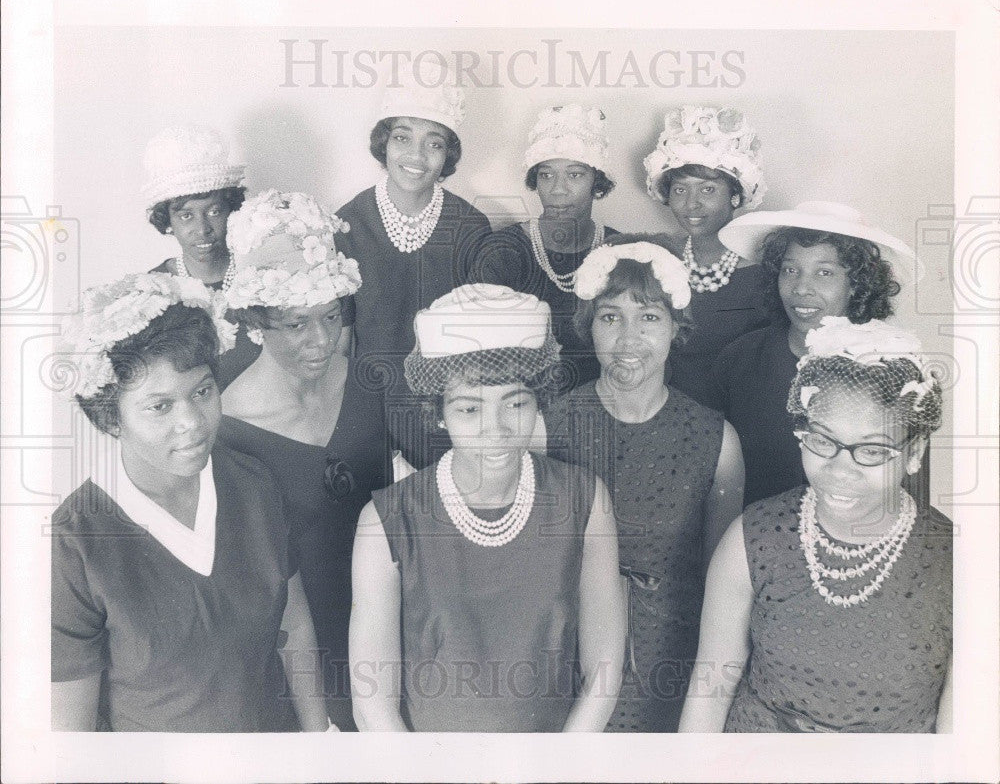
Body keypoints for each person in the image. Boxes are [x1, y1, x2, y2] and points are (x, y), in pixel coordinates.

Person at [52, 273, 329, 732]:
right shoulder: (76, 540)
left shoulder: (253, 483)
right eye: (159, 407)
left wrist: (319, 740)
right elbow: (72, 733)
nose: (193, 423)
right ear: (109, 419)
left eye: (202, 392)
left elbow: (294, 626)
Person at [349, 284, 626, 732]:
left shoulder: (585, 501)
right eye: (468, 410)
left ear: (539, 399)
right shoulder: (385, 520)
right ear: (438, 412)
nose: (494, 431)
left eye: (515, 404)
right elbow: (371, 701)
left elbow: (604, 673)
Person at [680, 317, 952, 733]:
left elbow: (961, 733)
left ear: (914, 452)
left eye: (872, 450)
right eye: (823, 441)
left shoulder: (958, 561)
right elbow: (710, 690)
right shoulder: (750, 539)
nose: (840, 470)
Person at [545, 242, 745, 732]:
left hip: (671, 658)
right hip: (566, 651)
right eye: (609, 318)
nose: (627, 338)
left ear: (677, 329)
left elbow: (722, 588)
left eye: (649, 318)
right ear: (588, 326)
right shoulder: (548, 426)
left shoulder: (717, 438)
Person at [219, 189, 389, 730]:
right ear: (257, 322)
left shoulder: (366, 384)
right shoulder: (227, 429)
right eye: (296, 324)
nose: (321, 340)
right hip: (296, 653)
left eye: (331, 316)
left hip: (383, 628)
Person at [710, 201, 919, 507]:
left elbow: (908, 483)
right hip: (754, 535)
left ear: (856, 285)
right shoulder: (739, 358)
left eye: (824, 272)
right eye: (790, 270)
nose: (801, 288)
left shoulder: (890, 368)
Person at [335, 61, 491, 469]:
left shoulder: (470, 228)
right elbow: (339, 346)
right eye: (403, 137)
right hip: (367, 416)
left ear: (447, 155)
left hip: (447, 419)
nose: (416, 156)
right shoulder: (347, 224)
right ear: (384, 144)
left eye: (434, 143)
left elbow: (481, 346)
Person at [471, 104, 620, 391]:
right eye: (546, 174)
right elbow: (482, 353)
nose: (558, 189)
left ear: (596, 182)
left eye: (574, 175)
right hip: (522, 408)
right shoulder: (503, 251)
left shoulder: (619, 250)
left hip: (602, 406)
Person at [635, 105, 770, 407]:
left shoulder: (766, 271)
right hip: (670, 416)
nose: (691, 205)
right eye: (680, 190)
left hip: (745, 418)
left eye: (708, 190)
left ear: (735, 195)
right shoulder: (659, 261)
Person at [142, 124, 265, 388]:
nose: (203, 229)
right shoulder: (153, 292)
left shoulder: (263, 276)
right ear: (167, 221)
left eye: (214, 212)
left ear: (231, 211)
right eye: (186, 215)